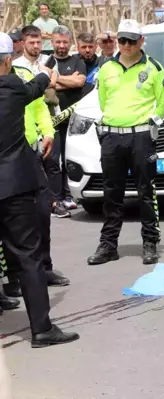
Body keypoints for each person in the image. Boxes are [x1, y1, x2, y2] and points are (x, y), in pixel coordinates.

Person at [0, 32, 79, 347]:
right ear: (8, 59)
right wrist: (49, 71)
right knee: (29, 257)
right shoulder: (12, 86)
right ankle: (42, 329)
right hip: (15, 188)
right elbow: (39, 84)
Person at [87, 19, 164, 266]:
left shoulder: (154, 68)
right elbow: (103, 102)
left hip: (141, 136)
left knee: (146, 191)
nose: (125, 45)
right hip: (112, 136)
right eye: (121, 40)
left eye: (131, 41)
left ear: (141, 41)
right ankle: (108, 245)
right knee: (112, 193)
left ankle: (150, 242)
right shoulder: (106, 69)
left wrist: (150, 123)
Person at [0, 60, 71, 300]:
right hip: (11, 162)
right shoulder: (15, 84)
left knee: (41, 214)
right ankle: (13, 279)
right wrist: (45, 76)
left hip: (31, 154)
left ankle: (44, 269)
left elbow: (40, 106)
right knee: (13, 226)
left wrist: (48, 132)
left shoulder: (22, 75)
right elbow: (40, 84)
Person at [49, 25, 87, 215]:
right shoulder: (47, 61)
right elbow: (46, 85)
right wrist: (67, 80)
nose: (61, 45)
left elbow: (79, 82)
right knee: (55, 161)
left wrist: (56, 80)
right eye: (58, 41)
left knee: (71, 159)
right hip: (53, 121)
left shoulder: (78, 61)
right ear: (52, 42)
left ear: (70, 43)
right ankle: (56, 199)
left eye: (65, 42)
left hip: (75, 121)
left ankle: (69, 194)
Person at [75, 32, 110, 96]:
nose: (87, 50)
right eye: (84, 47)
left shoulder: (103, 62)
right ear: (78, 48)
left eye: (90, 47)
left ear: (96, 47)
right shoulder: (72, 62)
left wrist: (109, 35)